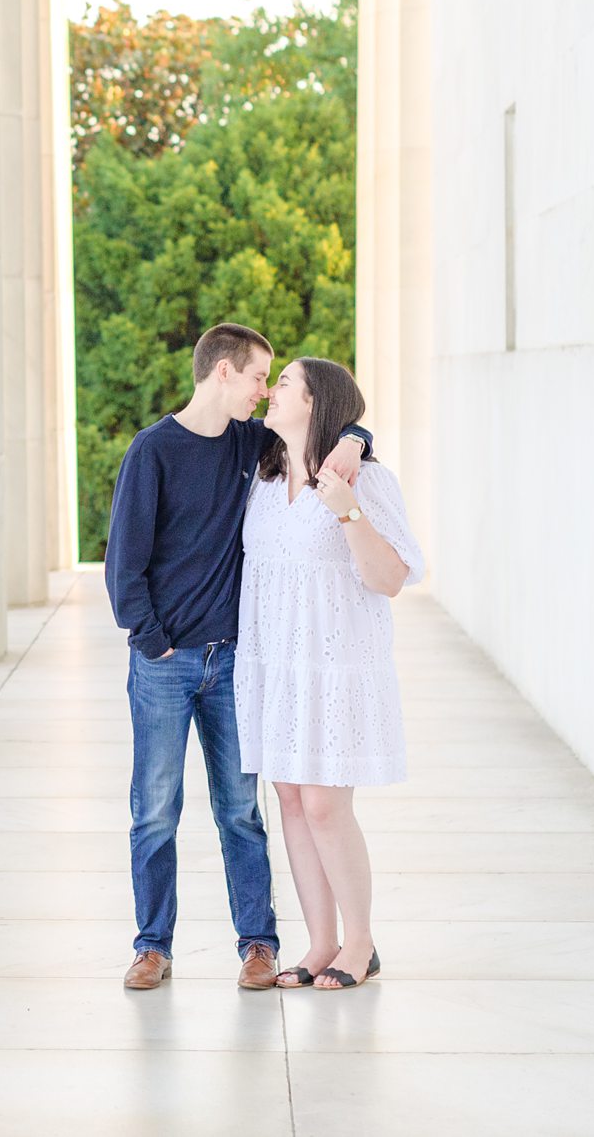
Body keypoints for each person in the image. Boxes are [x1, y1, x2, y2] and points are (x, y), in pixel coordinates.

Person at [104, 324, 370, 991]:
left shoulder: (253, 445)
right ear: (223, 372)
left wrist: (355, 438)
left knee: (240, 808)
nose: (264, 389)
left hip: (234, 665)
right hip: (165, 661)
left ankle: (258, 942)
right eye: (259, 376)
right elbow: (123, 565)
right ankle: (152, 946)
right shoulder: (153, 450)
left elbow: (336, 429)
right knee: (157, 806)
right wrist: (153, 638)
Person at [233, 356, 423, 991]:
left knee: (323, 804)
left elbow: (390, 579)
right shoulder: (262, 472)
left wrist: (347, 509)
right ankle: (321, 942)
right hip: (275, 663)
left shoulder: (366, 481)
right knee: (289, 796)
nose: (271, 391)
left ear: (317, 403)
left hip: (335, 664)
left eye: (283, 382)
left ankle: (361, 943)